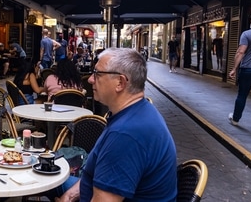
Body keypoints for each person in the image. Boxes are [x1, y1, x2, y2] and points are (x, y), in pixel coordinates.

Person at [57, 48, 177, 201]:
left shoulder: (126, 134)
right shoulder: (137, 113)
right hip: (95, 188)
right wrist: (72, 193)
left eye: (97, 74)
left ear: (120, 82)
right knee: (49, 176)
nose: (90, 80)